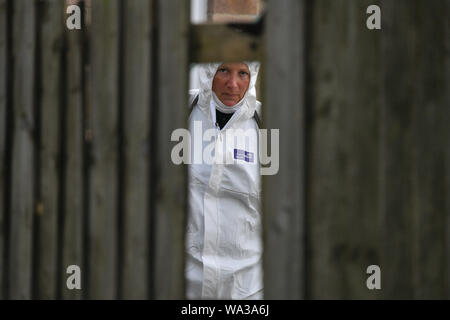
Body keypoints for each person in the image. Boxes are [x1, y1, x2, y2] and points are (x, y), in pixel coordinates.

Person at [185, 62, 263, 299]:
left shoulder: (267, 125)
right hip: (188, 282)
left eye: (243, 73)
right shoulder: (182, 110)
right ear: (209, 72)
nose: (233, 84)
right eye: (223, 71)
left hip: (246, 287)